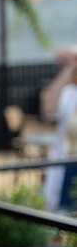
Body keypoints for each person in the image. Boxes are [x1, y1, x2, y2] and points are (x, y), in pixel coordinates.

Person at [40, 46, 77, 210]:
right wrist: (68, 68)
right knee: (64, 214)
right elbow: (49, 110)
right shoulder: (70, 93)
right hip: (69, 164)